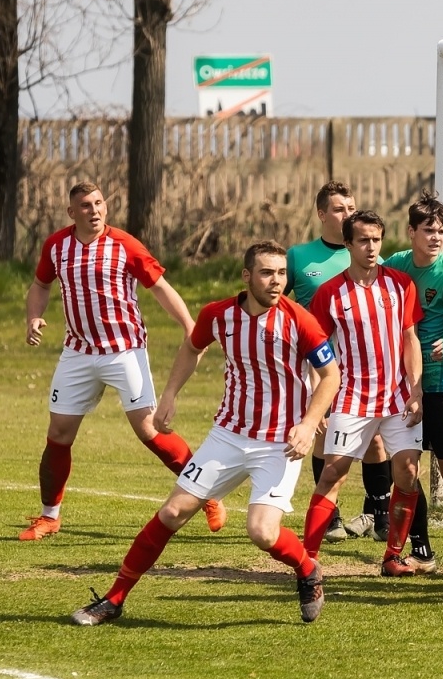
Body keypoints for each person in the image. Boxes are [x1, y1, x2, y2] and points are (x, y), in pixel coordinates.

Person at [72, 241, 340, 626]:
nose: (276, 281)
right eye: (267, 273)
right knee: (172, 512)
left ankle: (307, 569)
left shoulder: (300, 320)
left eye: (282, 273)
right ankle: (113, 600)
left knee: (262, 533)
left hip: (279, 443)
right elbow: (192, 347)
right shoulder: (218, 315)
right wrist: (168, 395)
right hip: (228, 435)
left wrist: (309, 422)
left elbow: (331, 376)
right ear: (247, 277)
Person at [19, 182, 225, 540]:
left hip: (124, 350)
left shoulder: (125, 245)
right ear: (72, 213)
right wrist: (33, 317)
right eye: (85, 205)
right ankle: (49, 517)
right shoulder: (57, 246)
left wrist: (190, 326)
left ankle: (206, 492)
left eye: (99, 203)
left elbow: (159, 286)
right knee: (58, 434)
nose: (94, 210)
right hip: (78, 353)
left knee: (150, 430)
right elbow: (40, 285)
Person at [300, 211, 426, 576]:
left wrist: (415, 390)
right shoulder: (329, 293)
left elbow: (409, 339)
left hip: (398, 397)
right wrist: (317, 401)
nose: (371, 248)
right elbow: (316, 351)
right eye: (363, 241)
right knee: (333, 475)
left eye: (376, 240)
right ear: (348, 244)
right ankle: (307, 557)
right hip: (351, 397)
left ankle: (393, 557)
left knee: (407, 471)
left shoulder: (401, 285)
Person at [286, 181, 391, 542]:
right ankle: (330, 516)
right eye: (338, 209)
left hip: (363, 364)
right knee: (323, 434)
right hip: (316, 362)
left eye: (350, 207)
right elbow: (275, 301)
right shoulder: (299, 256)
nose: (346, 214)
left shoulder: (373, 254)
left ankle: (380, 514)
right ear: (321, 214)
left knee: (376, 441)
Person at [383, 191, 443, 571]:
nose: (436, 237)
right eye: (429, 230)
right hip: (403, 384)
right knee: (406, 468)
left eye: (442, 231)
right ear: (411, 232)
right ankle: (420, 549)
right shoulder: (395, 267)